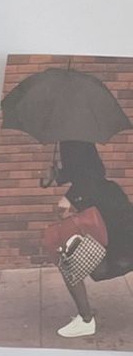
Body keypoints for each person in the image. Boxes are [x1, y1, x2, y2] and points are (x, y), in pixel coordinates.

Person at [52, 139, 133, 338]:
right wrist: (56, 176)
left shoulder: (82, 188)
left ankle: (86, 320)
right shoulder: (108, 186)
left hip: (115, 244)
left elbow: (84, 178)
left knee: (67, 261)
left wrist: (67, 198)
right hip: (119, 237)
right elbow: (85, 171)